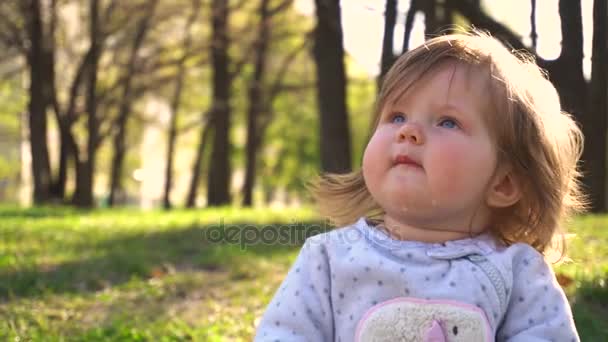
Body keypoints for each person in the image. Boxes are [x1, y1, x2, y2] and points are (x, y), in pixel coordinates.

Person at [254, 31, 584, 341]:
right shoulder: (328, 258)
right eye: (396, 116)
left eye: (447, 121)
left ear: (504, 183)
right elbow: (284, 333)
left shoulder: (516, 272)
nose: (408, 131)